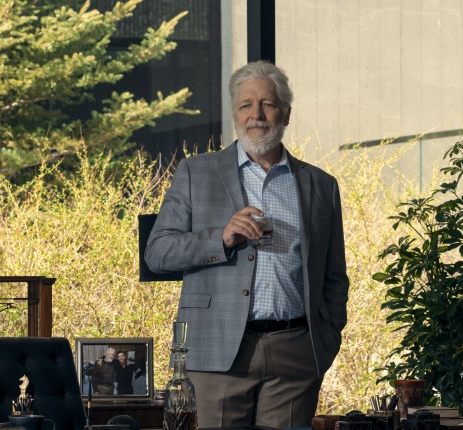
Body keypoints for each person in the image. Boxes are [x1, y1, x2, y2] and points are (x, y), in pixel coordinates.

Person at [145, 60, 349, 428]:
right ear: (235, 114)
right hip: (216, 350)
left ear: (286, 113)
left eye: (268, 104)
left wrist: (326, 340)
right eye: (246, 105)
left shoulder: (321, 185)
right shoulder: (195, 172)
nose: (257, 115)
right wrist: (220, 238)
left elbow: (334, 276)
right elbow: (158, 253)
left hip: (296, 353)